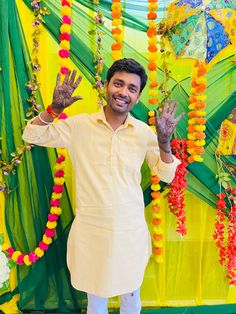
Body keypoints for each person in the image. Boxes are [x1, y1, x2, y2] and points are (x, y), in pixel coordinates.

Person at [22, 58, 183, 314]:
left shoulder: (143, 132)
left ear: (138, 97)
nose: (123, 92)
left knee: (131, 296)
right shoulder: (79, 126)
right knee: (96, 297)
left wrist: (164, 143)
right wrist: (52, 110)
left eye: (132, 88)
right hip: (91, 229)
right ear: (106, 85)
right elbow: (32, 135)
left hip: (129, 230)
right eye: (118, 84)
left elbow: (166, 175)